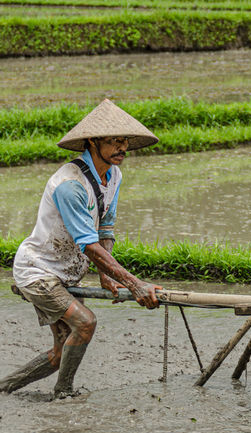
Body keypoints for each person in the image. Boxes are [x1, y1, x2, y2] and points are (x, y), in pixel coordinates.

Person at [1, 98, 162, 398]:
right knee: (85, 324)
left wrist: (106, 274)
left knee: (62, 351)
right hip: (38, 271)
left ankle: (4, 388)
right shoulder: (70, 185)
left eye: (124, 140)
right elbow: (87, 244)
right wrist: (135, 284)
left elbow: (105, 228)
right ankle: (64, 393)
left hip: (64, 274)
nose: (122, 147)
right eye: (114, 141)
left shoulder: (113, 175)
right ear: (92, 141)